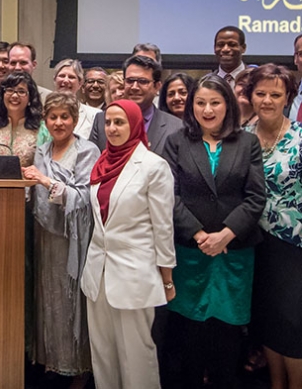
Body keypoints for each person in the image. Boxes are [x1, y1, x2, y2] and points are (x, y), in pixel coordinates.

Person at [161, 74, 265, 389]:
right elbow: (169, 196)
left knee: (228, 334)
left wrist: (225, 234)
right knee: (190, 334)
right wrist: (199, 234)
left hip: (234, 253)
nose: (208, 109)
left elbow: (256, 196)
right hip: (191, 253)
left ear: (227, 105)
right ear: (192, 106)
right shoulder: (177, 141)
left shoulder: (248, 142)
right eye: (201, 102)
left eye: (215, 102)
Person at [81, 100, 176, 389]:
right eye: (108, 122)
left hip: (135, 274)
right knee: (103, 355)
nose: (112, 128)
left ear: (135, 125)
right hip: (98, 273)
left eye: (119, 122)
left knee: (136, 356)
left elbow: (163, 227)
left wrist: (167, 279)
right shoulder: (101, 163)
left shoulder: (153, 166)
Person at [21, 91, 99, 387]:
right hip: (43, 235)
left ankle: (77, 368)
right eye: (52, 117)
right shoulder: (42, 150)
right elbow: (35, 192)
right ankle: (51, 361)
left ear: (75, 120)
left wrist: (46, 181)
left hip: (72, 238)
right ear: (45, 120)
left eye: (64, 117)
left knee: (70, 302)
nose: (58, 122)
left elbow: (84, 196)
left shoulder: (87, 151)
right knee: (47, 299)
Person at [245, 64, 302, 389]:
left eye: (275, 94)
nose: (267, 100)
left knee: (292, 323)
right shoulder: (240, 137)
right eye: (261, 93)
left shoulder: (300, 137)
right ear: (251, 96)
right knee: (266, 319)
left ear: (287, 98)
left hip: (293, 245)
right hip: (252, 242)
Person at [89, 55, 181, 154]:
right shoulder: (102, 121)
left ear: (157, 86)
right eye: (130, 81)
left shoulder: (176, 127)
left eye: (142, 81)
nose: (134, 87)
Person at [52, 59, 101, 139]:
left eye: (71, 77)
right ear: (55, 79)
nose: (66, 80)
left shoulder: (95, 115)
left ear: (80, 83)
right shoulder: (42, 113)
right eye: (62, 76)